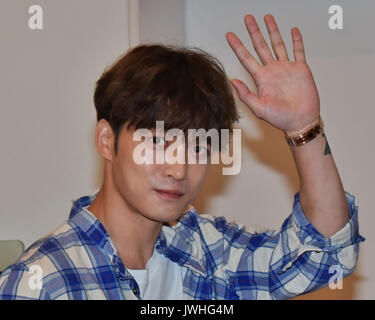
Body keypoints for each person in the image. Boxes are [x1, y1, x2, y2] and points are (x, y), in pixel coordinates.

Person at [0, 14, 364, 300]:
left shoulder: (206, 250)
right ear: (107, 140)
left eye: (199, 147)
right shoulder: (43, 282)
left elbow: (326, 256)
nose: (178, 169)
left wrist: (304, 128)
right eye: (157, 142)